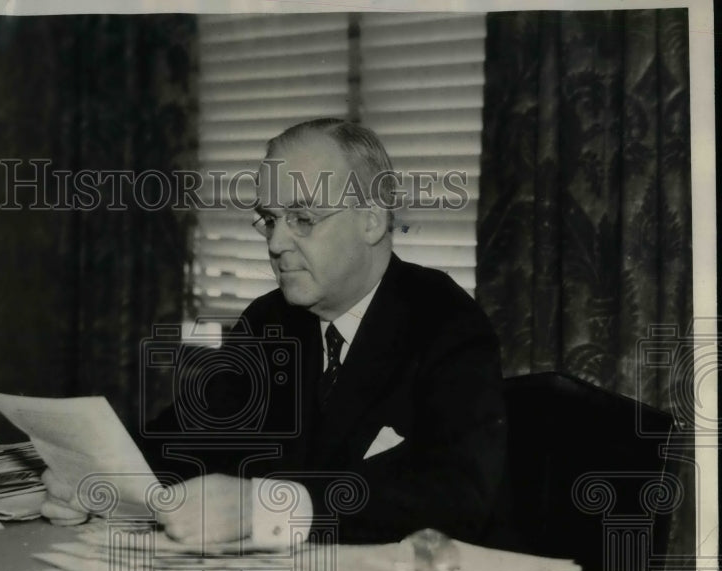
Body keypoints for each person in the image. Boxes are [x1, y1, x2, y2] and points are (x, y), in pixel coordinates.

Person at [44, 118, 508, 548]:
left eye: (302, 219)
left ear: (372, 219)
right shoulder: (270, 320)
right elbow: (191, 434)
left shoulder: (445, 321)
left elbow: (459, 493)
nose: (275, 243)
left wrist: (264, 506)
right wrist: (99, 477)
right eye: (270, 219)